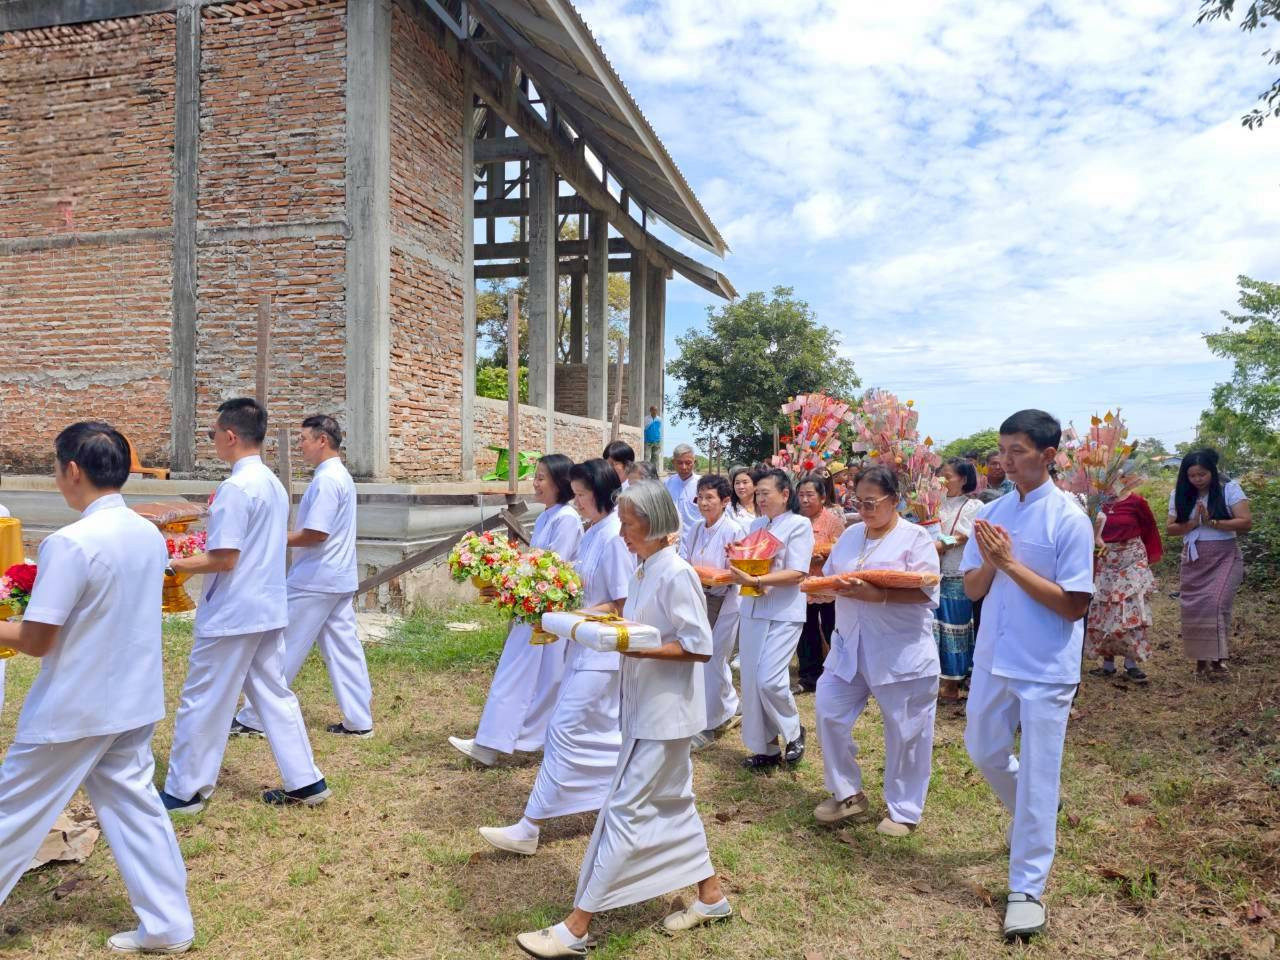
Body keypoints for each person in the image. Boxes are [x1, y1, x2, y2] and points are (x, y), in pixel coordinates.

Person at [0, 423, 195, 955]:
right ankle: (168, 923)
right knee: (136, 809)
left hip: (76, 706)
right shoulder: (145, 533)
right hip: (132, 700)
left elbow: (38, 640)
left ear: (71, 470)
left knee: (10, 810)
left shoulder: (71, 542)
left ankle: (168, 924)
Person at [514, 482, 730, 958]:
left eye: (629, 526)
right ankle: (711, 896)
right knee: (675, 804)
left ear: (652, 526)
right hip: (643, 707)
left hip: (665, 716)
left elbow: (699, 645)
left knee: (622, 812)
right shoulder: (644, 567)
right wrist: (577, 620)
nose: (623, 534)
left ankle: (576, 928)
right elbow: (630, 616)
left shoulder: (676, 573)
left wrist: (634, 645)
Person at [960, 409, 1094, 941]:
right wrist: (994, 561)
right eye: (1003, 450)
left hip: (1044, 665)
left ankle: (1027, 887)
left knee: (1041, 771)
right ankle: (1036, 812)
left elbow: (1074, 605)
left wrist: (1012, 564)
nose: (1006, 460)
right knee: (983, 750)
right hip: (995, 654)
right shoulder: (992, 513)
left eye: (1017, 450)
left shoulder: (1068, 518)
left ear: (1048, 455)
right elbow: (972, 589)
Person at [162, 398, 329, 812]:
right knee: (273, 695)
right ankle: (306, 780)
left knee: (203, 699)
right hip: (265, 605)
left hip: (234, 611)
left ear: (230, 435)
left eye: (213, 434)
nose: (213, 439)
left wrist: (171, 565)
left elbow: (225, 557)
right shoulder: (270, 482)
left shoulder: (237, 487)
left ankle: (185, 790)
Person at [479, 459, 632, 856]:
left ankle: (531, 826)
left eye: (582, 496)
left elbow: (619, 603)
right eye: (576, 495)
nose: (576, 502)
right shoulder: (593, 531)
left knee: (563, 730)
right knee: (600, 736)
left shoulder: (615, 536)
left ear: (601, 495)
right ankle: (620, 794)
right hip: (581, 644)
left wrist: (569, 615)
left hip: (602, 651)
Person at [813, 465, 941, 837]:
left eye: (872, 503)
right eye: (859, 502)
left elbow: (926, 589)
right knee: (828, 711)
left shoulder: (915, 538)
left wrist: (879, 595)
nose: (865, 510)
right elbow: (835, 576)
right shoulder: (852, 535)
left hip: (899, 650)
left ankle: (904, 809)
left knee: (906, 731)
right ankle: (847, 792)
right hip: (849, 645)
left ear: (895, 501)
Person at [233, 415, 372, 738]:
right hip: (336, 577)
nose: (300, 446)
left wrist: (273, 535)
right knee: (344, 649)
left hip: (315, 578)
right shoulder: (340, 476)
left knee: (281, 646)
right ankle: (359, 719)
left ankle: (255, 716)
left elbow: (315, 534)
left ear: (322, 440)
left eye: (303, 440)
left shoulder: (326, 480)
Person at [450, 454, 583, 766]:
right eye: (535, 477)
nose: (534, 483)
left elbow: (551, 568)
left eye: (541, 478)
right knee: (532, 678)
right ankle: (514, 739)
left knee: (521, 677)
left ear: (560, 483)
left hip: (543, 613)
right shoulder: (550, 515)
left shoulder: (567, 519)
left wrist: (515, 577)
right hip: (531, 609)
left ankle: (491, 745)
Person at [728, 469, 814, 769]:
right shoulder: (756, 524)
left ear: (785, 494)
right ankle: (765, 748)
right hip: (753, 607)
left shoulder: (799, 525)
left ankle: (793, 731)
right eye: (758, 493)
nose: (760, 498)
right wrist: (737, 560)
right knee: (751, 682)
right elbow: (749, 560)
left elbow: (798, 572)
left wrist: (759, 578)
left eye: (766, 493)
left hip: (783, 611)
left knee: (770, 680)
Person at [1166, 449, 1250, 680]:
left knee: (1216, 603)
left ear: (1212, 472)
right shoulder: (1180, 494)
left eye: (1202, 474)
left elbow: (1245, 522)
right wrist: (1194, 523)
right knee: (1194, 608)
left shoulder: (1229, 489)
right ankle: (1201, 660)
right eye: (1192, 476)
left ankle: (1218, 659)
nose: (1197, 480)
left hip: (1225, 555)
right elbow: (1171, 528)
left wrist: (1212, 521)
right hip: (1194, 557)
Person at [678, 474, 743, 751]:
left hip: (723, 599)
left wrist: (710, 576)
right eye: (700, 497)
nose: (703, 503)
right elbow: (682, 558)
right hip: (697, 597)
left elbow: (736, 570)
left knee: (712, 659)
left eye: (709, 498)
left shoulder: (734, 530)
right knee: (700, 658)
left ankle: (711, 723)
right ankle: (728, 705)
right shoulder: (694, 529)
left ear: (725, 501)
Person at [1085, 492, 1163, 683]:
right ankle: (1107, 663)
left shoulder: (1136, 501)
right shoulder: (1093, 500)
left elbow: (1148, 527)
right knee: (1104, 609)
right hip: (1104, 557)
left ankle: (1131, 663)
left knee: (1130, 609)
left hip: (1131, 558)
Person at [934, 458, 982, 704]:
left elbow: (964, 535)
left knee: (954, 629)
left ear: (963, 479)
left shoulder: (973, 505)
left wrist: (940, 545)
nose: (942, 481)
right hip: (932, 573)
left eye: (948, 476)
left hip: (955, 572)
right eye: (940, 476)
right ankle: (934, 680)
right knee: (934, 629)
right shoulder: (933, 502)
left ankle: (952, 684)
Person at [795, 473, 845, 694]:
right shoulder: (794, 522)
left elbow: (842, 552)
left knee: (833, 628)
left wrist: (825, 558)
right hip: (801, 585)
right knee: (805, 632)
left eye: (810, 495)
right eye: (801, 495)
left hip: (827, 586)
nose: (805, 500)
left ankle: (839, 673)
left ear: (822, 497)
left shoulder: (833, 523)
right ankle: (809, 676)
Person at [664, 444, 702, 531]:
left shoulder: (703, 484)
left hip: (697, 538)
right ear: (673, 462)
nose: (684, 467)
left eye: (688, 463)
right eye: (680, 463)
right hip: (672, 538)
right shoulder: (667, 484)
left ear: (694, 462)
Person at [643, 405, 662, 472]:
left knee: (655, 457)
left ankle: (654, 472)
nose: (655, 411)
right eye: (653, 410)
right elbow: (644, 429)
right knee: (647, 457)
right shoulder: (646, 419)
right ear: (650, 411)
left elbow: (659, 429)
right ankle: (646, 471)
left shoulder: (659, 419)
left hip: (657, 440)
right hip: (648, 440)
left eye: (656, 410)